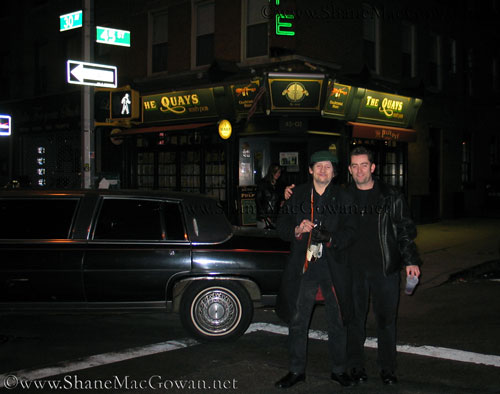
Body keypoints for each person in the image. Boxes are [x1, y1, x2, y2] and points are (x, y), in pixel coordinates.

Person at [274, 151, 358, 389]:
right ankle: (296, 370)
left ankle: (339, 370)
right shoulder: (298, 195)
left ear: (334, 171)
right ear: (310, 170)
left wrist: (331, 238)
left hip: (334, 268)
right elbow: (281, 226)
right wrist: (297, 230)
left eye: (328, 167)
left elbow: (352, 232)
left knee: (337, 321)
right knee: (298, 321)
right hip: (305, 267)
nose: (323, 170)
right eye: (318, 166)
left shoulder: (344, 197)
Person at [346, 146, 421, 385]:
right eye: (355, 166)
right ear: (349, 169)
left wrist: (411, 260)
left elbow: (404, 230)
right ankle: (356, 367)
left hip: (384, 269)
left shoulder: (391, 195)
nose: (359, 170)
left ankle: (387, 368)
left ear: (373, 167)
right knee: (355, 321)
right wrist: (290, 193)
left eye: (364, 165)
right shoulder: (342, 196)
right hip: (353, 270)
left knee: (386, 321)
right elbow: (316, 197)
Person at [255, 163, 283, 229]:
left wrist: (282, 201)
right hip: (264, 217)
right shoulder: (263, 183)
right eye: (275, 172)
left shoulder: (279, 185)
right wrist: (263, 216)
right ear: (271, 172)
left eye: (279, 172)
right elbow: (257, 200)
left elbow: (279, 199)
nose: (277, 174)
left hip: (276, 217)